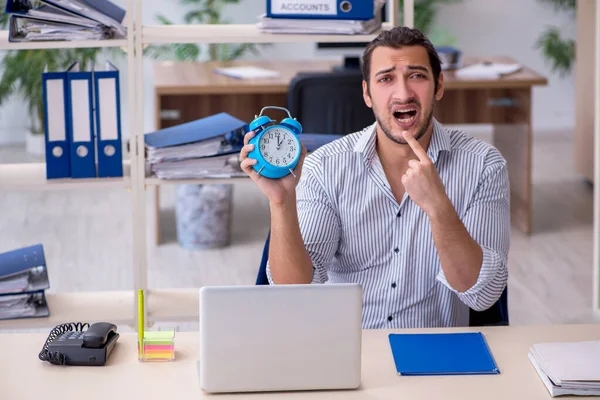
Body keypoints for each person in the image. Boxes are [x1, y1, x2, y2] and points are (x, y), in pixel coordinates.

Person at [239, 26, 510, 329]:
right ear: (367, 93)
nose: (404, 93)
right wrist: (281, 200)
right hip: (346, 350)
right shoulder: (325, 167)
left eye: (417, 76)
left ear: (439, 86)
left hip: (435, 352)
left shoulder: (483, 165)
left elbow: (483, 296)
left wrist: (439, 208)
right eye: (386, 79)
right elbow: (295, 292)